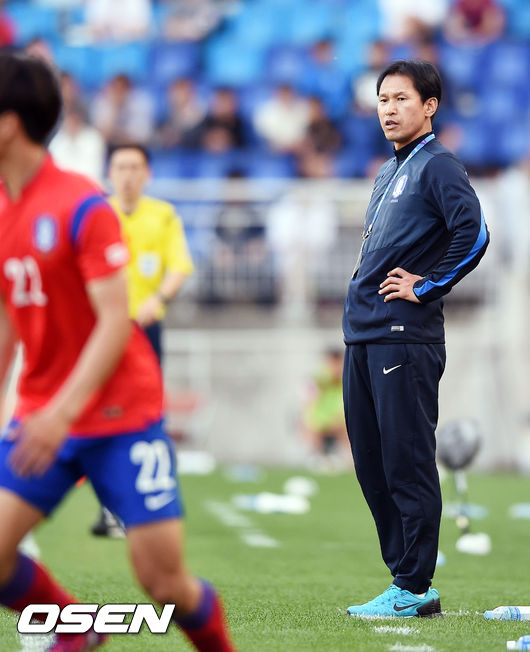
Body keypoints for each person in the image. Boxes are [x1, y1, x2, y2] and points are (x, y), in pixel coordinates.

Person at [0, 53, 234, 652]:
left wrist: (61, 413)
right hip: (42, 414)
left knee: (164, 584)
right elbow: (7, 322)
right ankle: (76, 629)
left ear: (10, 123)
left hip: (121, 415)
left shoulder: (82, 205)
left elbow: (113, 322)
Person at [342, 59, 489, 618]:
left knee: (406, 460)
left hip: (404, 337)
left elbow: (475, 234)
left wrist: (426, 286)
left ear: (429, 106)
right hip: (364, 333)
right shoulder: (388, 170)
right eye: (383, 99)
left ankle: (414, 585)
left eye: (401, 99)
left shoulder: (439, 164)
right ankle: (402, 578)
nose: (389, 109)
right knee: (371, 464)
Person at [89, 142, 194, 537]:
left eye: (135, 167)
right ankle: (109, 508)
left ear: (147, 173)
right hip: (102, 329)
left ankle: (150, 506)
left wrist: (159, 298)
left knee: (145, 415)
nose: (128, 175)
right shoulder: (97, 214)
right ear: (109, 173)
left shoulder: (162, 215)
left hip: (144, 330)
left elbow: (179, 265)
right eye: (121, 167)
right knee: (102, 412)